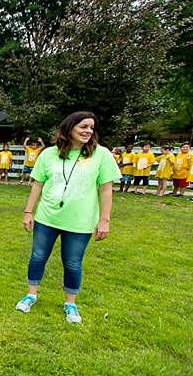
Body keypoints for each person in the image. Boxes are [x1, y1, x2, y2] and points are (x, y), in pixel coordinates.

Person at [15, 111, 120, 324]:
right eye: (83, 127)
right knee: (38, 256)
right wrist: (28, 211)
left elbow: (106, 190)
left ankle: (70, 303)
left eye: (91, 128)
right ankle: (31, 295)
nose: (88, 131)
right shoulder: (49, 154)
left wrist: (104, 220)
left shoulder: (101, 155)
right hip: (47, 217)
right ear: (70, 128)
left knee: (72, 262)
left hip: (80, 221)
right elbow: (37, 184)